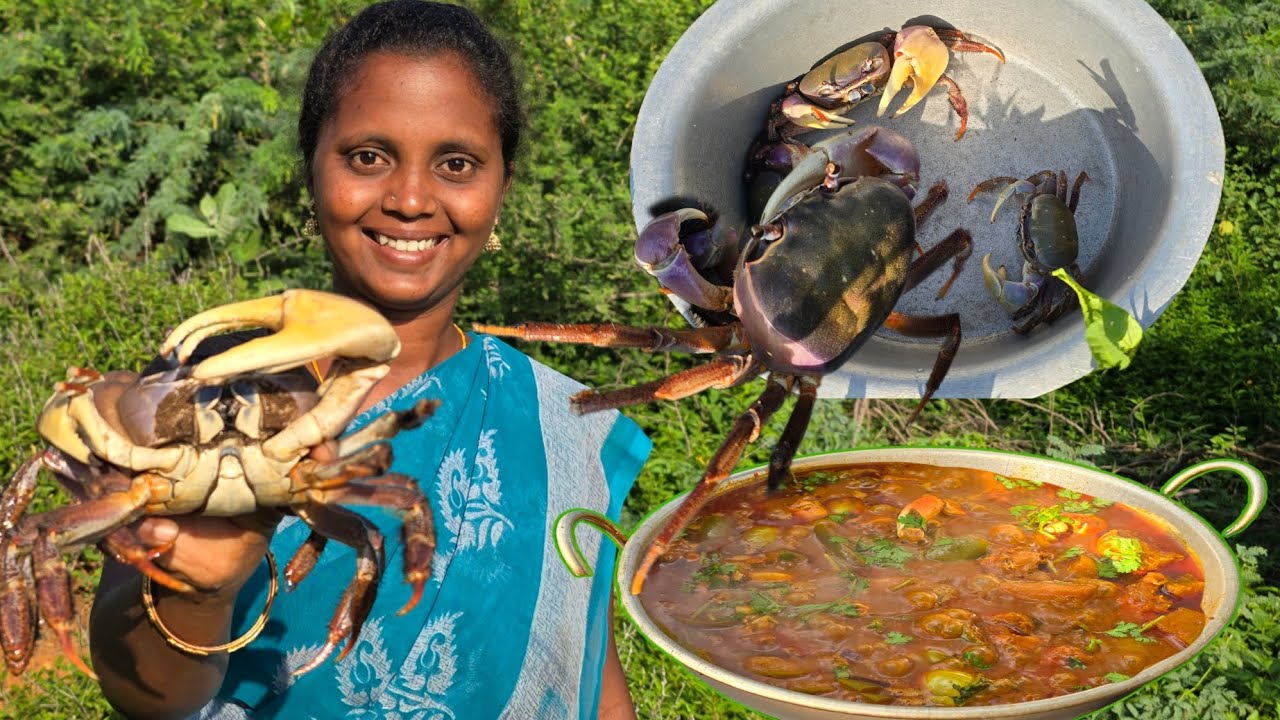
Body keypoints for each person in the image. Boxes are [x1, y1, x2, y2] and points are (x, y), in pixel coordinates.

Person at [87, 2, 651, 718]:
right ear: (312, 166)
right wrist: (200, 593)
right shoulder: (203, 401)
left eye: (456, 163)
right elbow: (146, 696)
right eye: (367, 157)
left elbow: (580, 660)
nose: (411, 198)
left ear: (502, 185)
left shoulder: (561, 424)